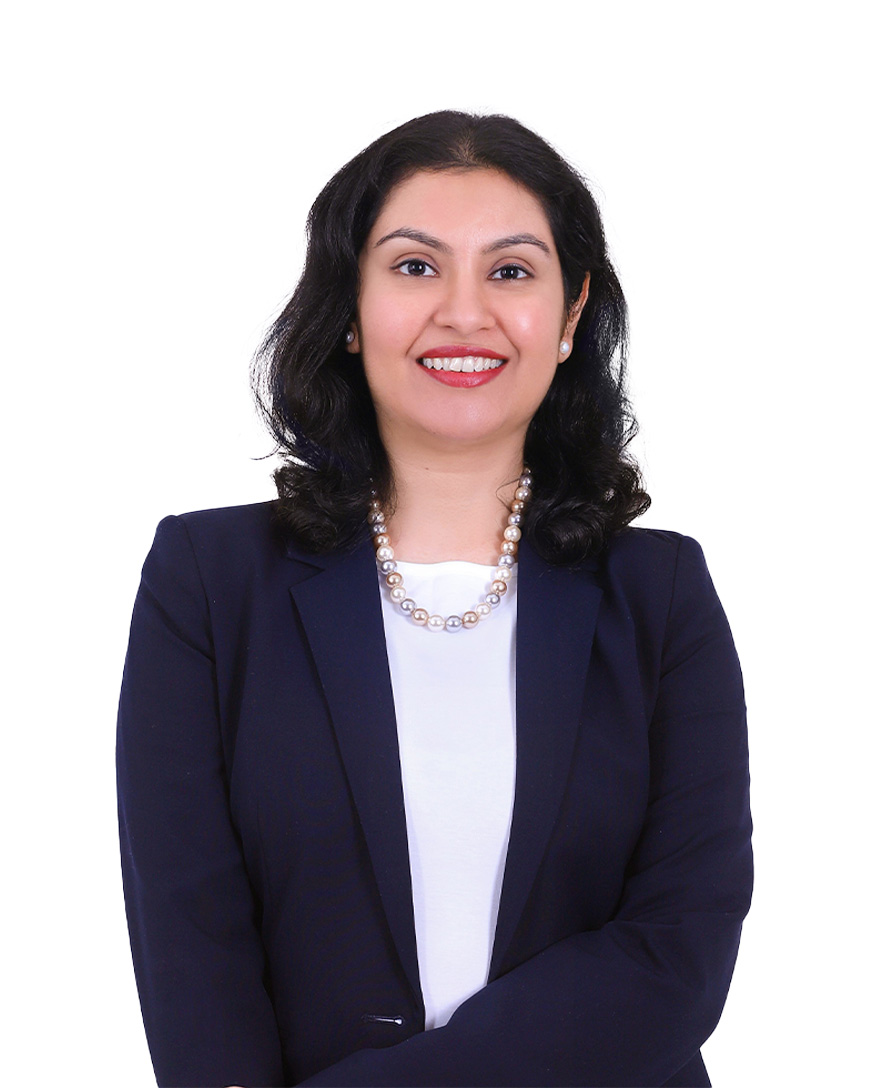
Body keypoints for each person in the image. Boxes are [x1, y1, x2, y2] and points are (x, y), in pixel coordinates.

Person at [117, 111, 752, 1088]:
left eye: (512, 271)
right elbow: (191, 943)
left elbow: (678, 953)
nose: (464, 312)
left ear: (571, 315)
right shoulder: (207, 581)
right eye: (415, 267)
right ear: (349, 306)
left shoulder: (661, 596)